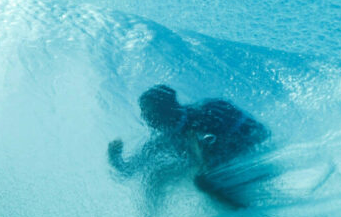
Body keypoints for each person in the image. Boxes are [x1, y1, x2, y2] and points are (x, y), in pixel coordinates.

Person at [108, 84, 270, 208]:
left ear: (166, 110)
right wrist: (114, 156)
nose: (145, 117)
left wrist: (203, 163)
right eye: (144, 112)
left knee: (202, 180)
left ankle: (248, 215)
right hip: (216, 158)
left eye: (148, 111)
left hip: (251, 149)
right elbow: (128, 170)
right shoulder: (165, 138)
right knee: (155, 177)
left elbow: (256, 135)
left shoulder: (202, 117)